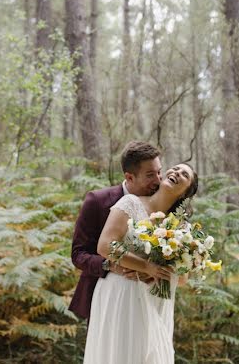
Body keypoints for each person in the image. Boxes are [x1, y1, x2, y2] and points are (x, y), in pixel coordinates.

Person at [83, 162, 199, 364]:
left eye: (184, 175)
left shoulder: (182, 228)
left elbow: (182, 279)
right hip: (122, 294)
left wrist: (157, 271)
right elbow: (104, 246)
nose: (177, 173)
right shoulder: (130, 203)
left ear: (185, 193)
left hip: (157, 300)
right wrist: (145, 266)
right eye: (175, 168)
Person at [69, 141, 163, 321]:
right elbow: (78, 254)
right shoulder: (97, 201)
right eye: (150, 175)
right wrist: (112, 265)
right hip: (105, 298)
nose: (158, 180)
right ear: (129, 177)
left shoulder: (160, 205)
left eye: (159, 172)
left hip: (149, 301)